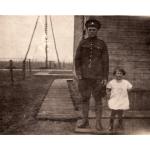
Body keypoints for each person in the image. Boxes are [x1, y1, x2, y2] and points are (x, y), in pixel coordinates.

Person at [75, 17, 109, 130]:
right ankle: (85, 122)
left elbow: (105, 61)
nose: (92, 31)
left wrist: (105, 77)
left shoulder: (102, 44)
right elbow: (77, 60)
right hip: (84, 77)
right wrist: (79, 73)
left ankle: (98, 123)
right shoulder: (82, 42)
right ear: (87, 30)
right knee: (85, 99)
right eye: (90, 29)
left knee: (98, 100)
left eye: (94, 29)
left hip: (98, 78)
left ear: (97, 30)